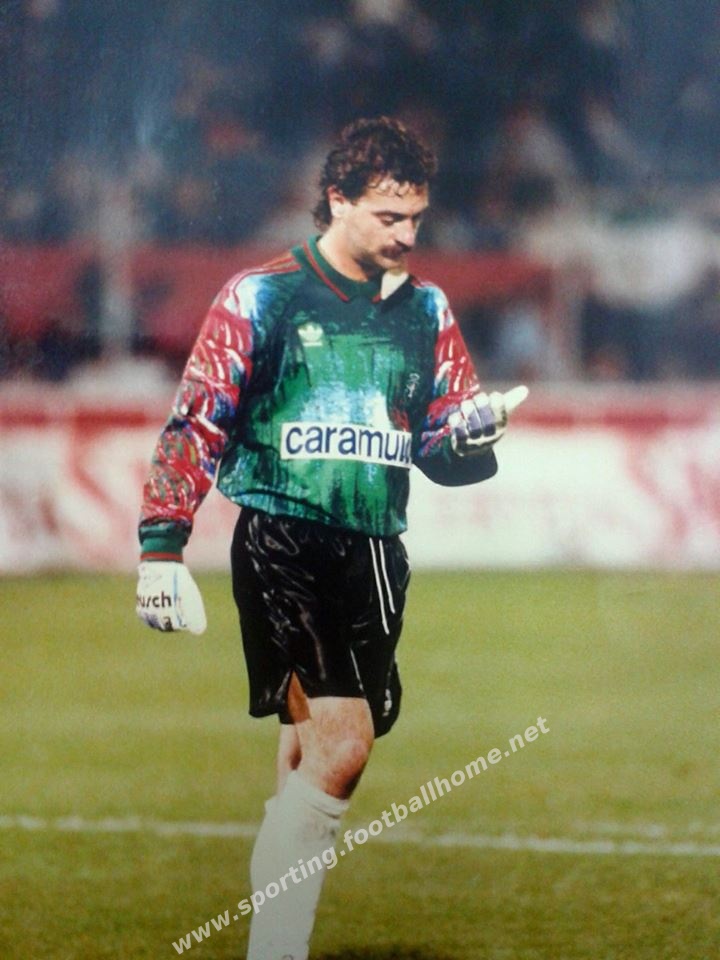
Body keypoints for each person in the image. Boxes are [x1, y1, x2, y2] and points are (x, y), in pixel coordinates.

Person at [135, 116, 525, 960]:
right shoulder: (262, 295)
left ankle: (276, 929)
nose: (407, 234)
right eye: (389, 216)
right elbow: (197, 419)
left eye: (416, 217)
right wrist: (161, 548)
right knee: (343, 746)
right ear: (337, 199)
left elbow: (437, 446)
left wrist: (470, 438)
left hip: (376, 549)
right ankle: (276, 947)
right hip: (283, 538)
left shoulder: (426, 308)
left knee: (320, 745)